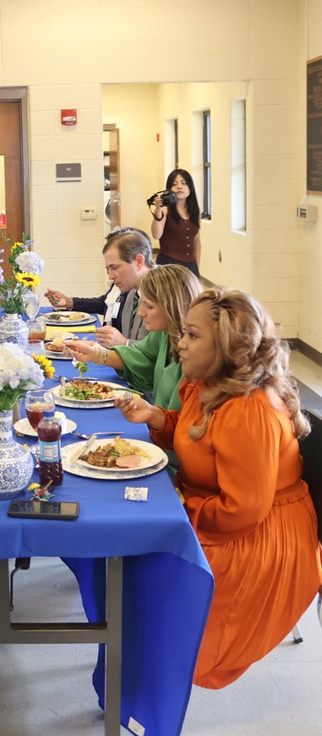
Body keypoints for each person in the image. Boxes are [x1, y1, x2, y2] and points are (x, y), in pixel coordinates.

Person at [116, 288, 322, 689]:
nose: (180, 343)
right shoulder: (206, 385)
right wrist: (157, 417)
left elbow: (242, 510)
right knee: (132, 548)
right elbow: (199, 442)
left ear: (228, 347)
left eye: (193, 336)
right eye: (184, 333)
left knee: (145, 564)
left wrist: (176, 514)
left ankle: (150, 671)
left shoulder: (249, 410)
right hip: (222, 513)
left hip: (259, 535)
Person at [67, 264, 202, 410]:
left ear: (173, 308)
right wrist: (95, 354)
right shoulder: (164, 332)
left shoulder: (195, 357)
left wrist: (150, 414)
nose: (140, 312)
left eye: (149, 306)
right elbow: (140, 357)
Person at [45, 228, 154, 347]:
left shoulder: (161, 293)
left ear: (139, 262)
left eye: (115, 268)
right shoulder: (132, 292)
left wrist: (125, 343)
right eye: (108, 269)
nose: (110, 276)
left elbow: (158, 352)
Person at [150, 168, 201, 277]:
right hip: (169, 265)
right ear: (169, 189)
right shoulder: (165, 209)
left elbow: (196, 241)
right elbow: (156, 235)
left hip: (190, 265)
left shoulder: (195, 212)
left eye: (184, 183)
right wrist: (158, 209)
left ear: (190, 187)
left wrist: (197, 267)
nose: (179, 187)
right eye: (174, 184)